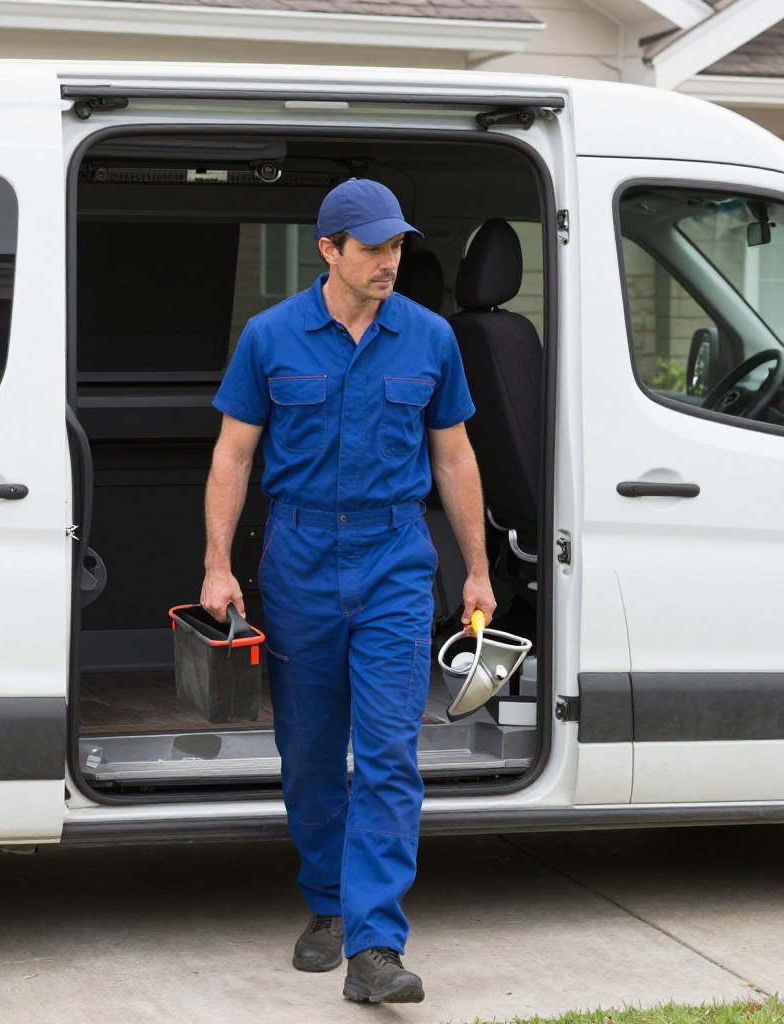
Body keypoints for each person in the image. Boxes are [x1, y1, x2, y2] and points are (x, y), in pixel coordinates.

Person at [200, 177, 495, 1004]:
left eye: (398, 246)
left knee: (392, 751)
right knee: (311, 750)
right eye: (372, 248)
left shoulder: (430, 338)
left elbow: (455, 459)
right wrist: (218, 565)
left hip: (395, 554)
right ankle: (327, 905)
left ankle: (374, 942)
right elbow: (233, 456)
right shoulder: (270, 337)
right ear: (328, 249)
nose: (389, 262)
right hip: (297, 553)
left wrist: (474, 567)